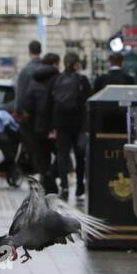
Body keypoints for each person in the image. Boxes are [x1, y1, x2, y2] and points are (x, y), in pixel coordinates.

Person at [52, 50, 91, 201]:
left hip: (61, 123)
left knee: (63, 155)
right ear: (76, 64)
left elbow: (52, 103)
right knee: (80, 155)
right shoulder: (82, 80)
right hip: (78, 123)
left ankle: (64, 187)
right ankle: (80, 186)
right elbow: (89, 101)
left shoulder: (57, 79)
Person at [24, 51, 61, 193]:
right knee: (61, 153)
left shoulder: (34, 80)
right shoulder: (59, 79)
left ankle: (46, 180)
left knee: (42, 156)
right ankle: (52, 175)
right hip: (55, 125)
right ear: (55, 64)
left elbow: (27, 104)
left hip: (37, 126)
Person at [15, 40, 42, 116]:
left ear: (29, 51)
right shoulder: (46, 68)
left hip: (30, 112)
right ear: (41, 50)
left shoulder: (26, 70)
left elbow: (21, 92)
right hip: (46, 112)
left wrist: (19, 111)